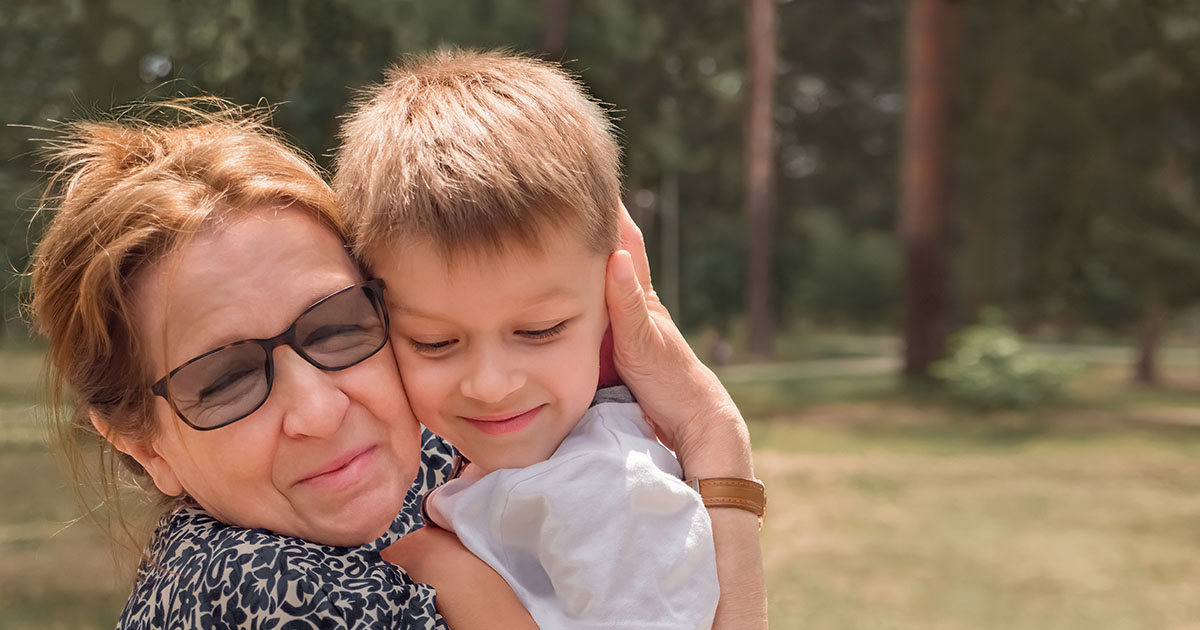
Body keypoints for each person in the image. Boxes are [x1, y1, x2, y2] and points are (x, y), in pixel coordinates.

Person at [28, 99, 766, 628]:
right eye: (225, 380)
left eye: (338, 328)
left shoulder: (429, 457)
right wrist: (710, 430)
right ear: (144, 444)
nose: (320, 412)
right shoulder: (264, 590)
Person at [333, 49, 720, 629]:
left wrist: (460, 584)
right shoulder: (507, 468)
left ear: (617, 299)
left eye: (540, 331)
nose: (491, 385)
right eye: (434, 342)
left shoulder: (613, 495)